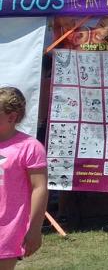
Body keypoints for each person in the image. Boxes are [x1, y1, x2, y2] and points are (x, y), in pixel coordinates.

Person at [0, 88, 48, 270]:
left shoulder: (30, 147)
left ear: (12, 117)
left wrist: (35, 229)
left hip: (7, 230)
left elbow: (39, 189)